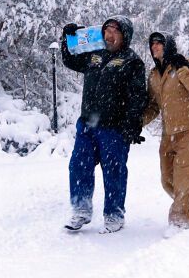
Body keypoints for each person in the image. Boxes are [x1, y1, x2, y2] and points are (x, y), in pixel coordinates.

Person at [61, 15, 148, 234]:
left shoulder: (132, 61)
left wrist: (132, 125)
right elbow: (70, 60)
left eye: (114, 32)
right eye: (107, 31)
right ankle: (81, 209)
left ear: (124, 36)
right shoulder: (94, 55)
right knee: (79, 166)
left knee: (114, 171)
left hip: (114, 128)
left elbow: (137, 97)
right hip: (88, 125)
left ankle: (114, 214)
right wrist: (66, 39)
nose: (109, 35)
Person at [143, 31, 189, 236]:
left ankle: (180, 221)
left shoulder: (186, 64)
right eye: (152, 44)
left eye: (159, 43)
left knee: (184, 179)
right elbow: (154, 106)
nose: (155, 47)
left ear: (168, 45)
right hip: (169, 134)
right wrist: (136, 124)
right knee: (167, 180)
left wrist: (183, 69)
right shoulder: (154, 74)